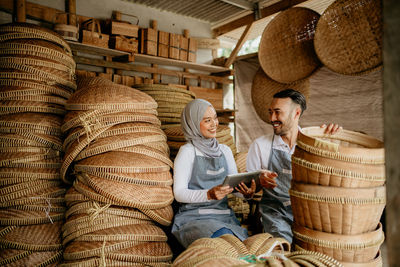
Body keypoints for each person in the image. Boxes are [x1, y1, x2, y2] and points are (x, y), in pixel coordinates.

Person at [246, 89, 341, 243]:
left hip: (309, 212)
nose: (272, 118)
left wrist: (334, 140)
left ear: (296, 113)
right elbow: (247, 188)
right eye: (270, 112)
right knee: (284, 246)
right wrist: (254, 185)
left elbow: (334, 176)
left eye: (277, 112)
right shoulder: (260, 146)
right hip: (275, 213)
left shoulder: (314, 144)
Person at [171, 99, 256, 248]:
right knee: (224, 242)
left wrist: (246, 193)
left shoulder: (225, 150)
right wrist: (208, 194)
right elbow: (179, 193)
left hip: (223, 217)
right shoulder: (187, 152)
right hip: (194, 219)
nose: (214, 124)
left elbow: (234, 188)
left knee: (240, 244)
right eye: (207, 120)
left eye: (215, 118)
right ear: (193, 124)